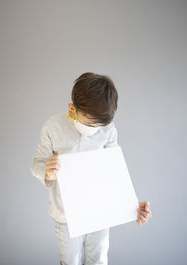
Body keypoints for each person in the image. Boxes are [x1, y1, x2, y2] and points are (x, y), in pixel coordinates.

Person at [30, 72, 152, 265]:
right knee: (70, 261)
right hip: (65, 215)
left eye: (99, 125)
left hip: (99, 213)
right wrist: (47, 170)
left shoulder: (109, 130)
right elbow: (36, 163)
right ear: (72, 109)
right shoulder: (52, 127)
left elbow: (115, 172)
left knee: (99, 261)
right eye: (89, 123)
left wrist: (132, 206)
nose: (94, 129)